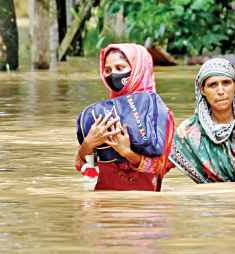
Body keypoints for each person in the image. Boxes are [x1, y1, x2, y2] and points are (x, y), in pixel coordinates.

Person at [74, 43, 175, 191]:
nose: (113, 75)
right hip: (103, 204)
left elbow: (159, 167)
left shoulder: (159, 114)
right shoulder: (103, 113)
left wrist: (127, 153)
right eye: (107, 70)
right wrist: (88, 144)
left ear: (138, 69)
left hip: (144, 206)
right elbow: (80, 165)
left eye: (120, 68)